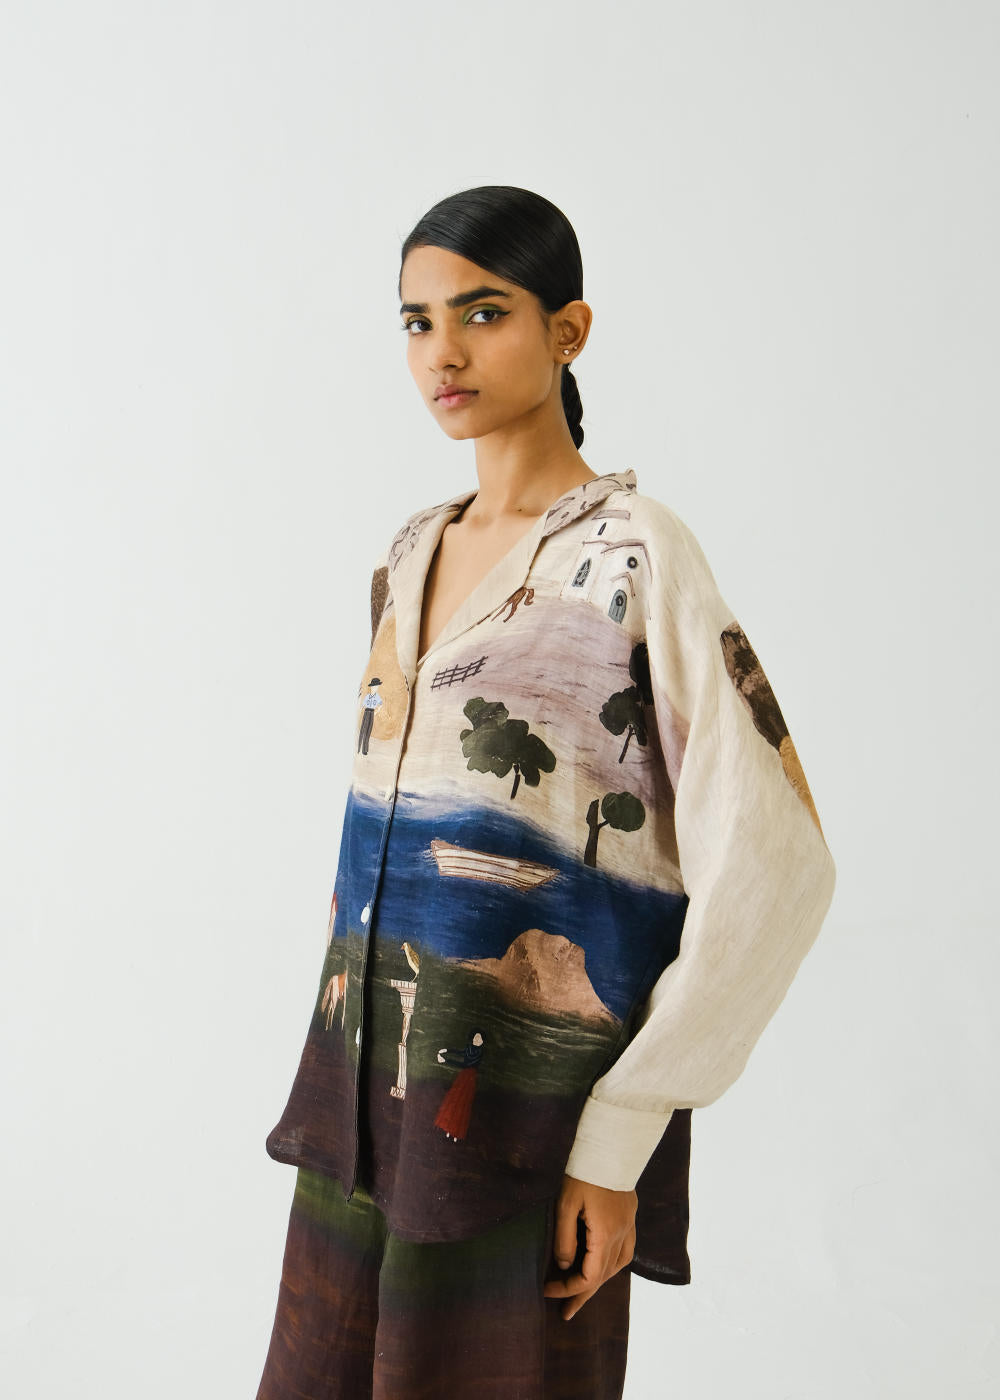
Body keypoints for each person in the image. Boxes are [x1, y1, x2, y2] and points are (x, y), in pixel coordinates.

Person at [254, 185, 837, 1400]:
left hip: (528, 1140)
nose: (443, 352)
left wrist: (620, 1138)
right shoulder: (407, 553)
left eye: (482, 312)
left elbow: (778, 860)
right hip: (361, 1123)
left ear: (568, 330)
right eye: (416, 321)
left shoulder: (637, 552)